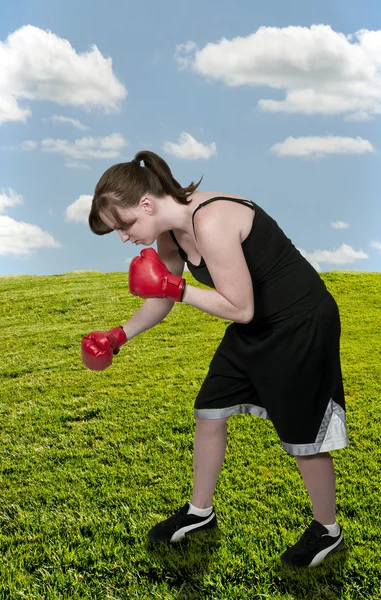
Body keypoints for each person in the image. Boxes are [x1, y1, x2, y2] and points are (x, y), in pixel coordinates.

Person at [81, 150, 349, 568]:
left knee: (302, 436)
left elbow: (238, 306)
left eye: (126, 224)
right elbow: (161, 297)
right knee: (209, 410)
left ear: (146, 204)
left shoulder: (211, 219)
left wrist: (177, 289)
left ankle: (327, 530)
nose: (125, 237)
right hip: (255, 327)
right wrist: (118, 336)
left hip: (299, 322)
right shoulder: (170, 233)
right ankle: (199, 512)